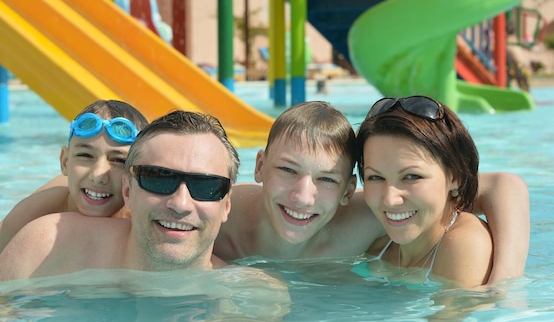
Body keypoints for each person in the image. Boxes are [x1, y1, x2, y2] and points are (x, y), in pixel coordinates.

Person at [214, 101, 529, 283]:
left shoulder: (366, 214)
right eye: (287, 170)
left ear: (348, 189)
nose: (302, 196)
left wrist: (504, 285)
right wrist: (224, 271)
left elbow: (503, 185)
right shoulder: (220, 214)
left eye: (327, 180)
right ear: (259, 167)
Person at [0, 110, 240, 279]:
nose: (180, 203)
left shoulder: (252, 299)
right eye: (158, 179)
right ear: (127, 190)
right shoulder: (44, 247)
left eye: (206, 186)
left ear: (227, 205)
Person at [0, 100, 148, 265]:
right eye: (85, 155)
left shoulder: (141, 217)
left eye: (118, 160)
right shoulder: (34, 212)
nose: (98, 175)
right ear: (65, 162)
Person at [356, 95, 492, 287]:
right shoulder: (379, 246)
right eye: (376, 177)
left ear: (455, 176)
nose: (390, 199)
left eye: (411, 177)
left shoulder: (464, 244)